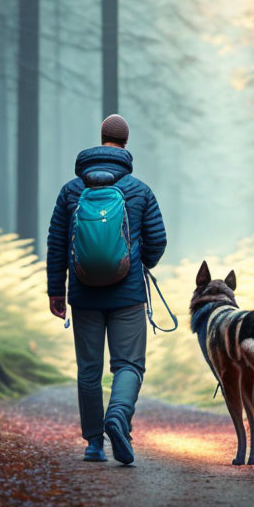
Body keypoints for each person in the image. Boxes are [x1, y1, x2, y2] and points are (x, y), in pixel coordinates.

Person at [46, 114, 167, 465]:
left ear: (100, 139)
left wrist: (57, 290)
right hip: (127, 295)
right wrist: (139, 261)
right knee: (129, 364)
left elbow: (56, 244)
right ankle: (118, 415)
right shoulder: (139, 190)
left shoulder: (72, 190)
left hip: (83, 294)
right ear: (125, 144)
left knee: (89, 369)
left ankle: (94, 444)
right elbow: (157, 241)